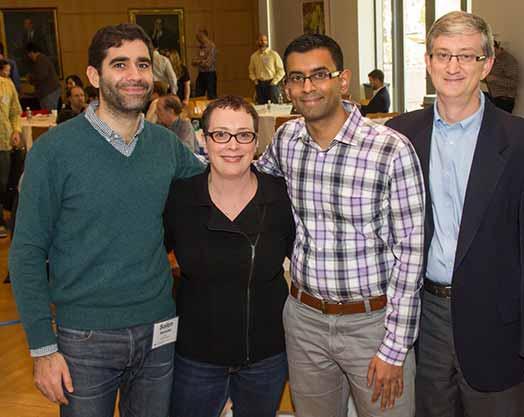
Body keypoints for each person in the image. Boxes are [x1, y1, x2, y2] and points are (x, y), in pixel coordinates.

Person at [9, 23, 204, 417]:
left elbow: (217, 188)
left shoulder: (166, 146)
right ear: (94, 76)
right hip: (85, 340)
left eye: (143, 64)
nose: (135, 75)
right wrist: (43, 349)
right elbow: (27, 251)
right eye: (120, 64)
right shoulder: (53, 152)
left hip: (158, 330)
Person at [256, 33, 425, 417]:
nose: (307, 87)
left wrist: (395, 348)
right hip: (305, 322)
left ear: (343, 80)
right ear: (287, 87)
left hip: (373, 325)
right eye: (297, 78)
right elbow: (252, 182)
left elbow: (411, 254)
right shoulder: (286, 141)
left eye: (319, 74)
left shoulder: (390, 149)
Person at [386, 11, 524, 417]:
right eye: (443, 55)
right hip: (423, 320)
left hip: (497, 324)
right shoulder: (398, 135)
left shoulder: (518, 141)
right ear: (428, 62)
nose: (453, 66)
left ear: (487, 64)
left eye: (467, 56)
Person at [165, 95, 295, 417]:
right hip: (195, 358)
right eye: (221, 134)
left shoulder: (281, 197)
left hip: (266, 357)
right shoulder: (180, 198)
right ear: (204, 140)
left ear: (256, 141)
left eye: (244, 135)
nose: (233, 145)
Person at [0, 74, 22, 239]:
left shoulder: (7, 85)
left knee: (4, 183)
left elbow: (15, 112)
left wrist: (16, 130)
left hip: (4, 142)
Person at [248, 34, 285, 104]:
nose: (263, 42)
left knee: (275, 106)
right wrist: (255, 80)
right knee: (261, 107)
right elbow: (251, 70)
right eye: (261, 40)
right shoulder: (254, 56)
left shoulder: (273, 54)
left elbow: (281, 70)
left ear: (267, 42)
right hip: (260, 85)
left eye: (265, 40)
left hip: (272, 84)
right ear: (257, 42)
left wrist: (274, 82)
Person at [485, 40, 519, 113]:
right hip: (493, 98)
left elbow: (513, 83)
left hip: (504, 100)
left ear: (494, 47)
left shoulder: (508, 60)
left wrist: (494, 79)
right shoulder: (493, 59)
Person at [25, 42, 61, 110]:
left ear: (31, 52)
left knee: (49, 113)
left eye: (28, 53)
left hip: (49, 92)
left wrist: (30, 78)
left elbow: (41, 76)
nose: (28, 56)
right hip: (48, 92)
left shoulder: (40, 60)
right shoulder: (41, 59)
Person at [192, 28, 217, 99]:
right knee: (198, 95)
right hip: (201, 74)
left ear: (205, 36)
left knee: (211, 96)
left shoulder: (212, 46)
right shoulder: (199, 47)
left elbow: (208, 63)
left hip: (210, 74)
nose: (198, 39)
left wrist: (199, 61)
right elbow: (193, 62)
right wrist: (202, 61)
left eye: (200, 37)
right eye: (197, 37)